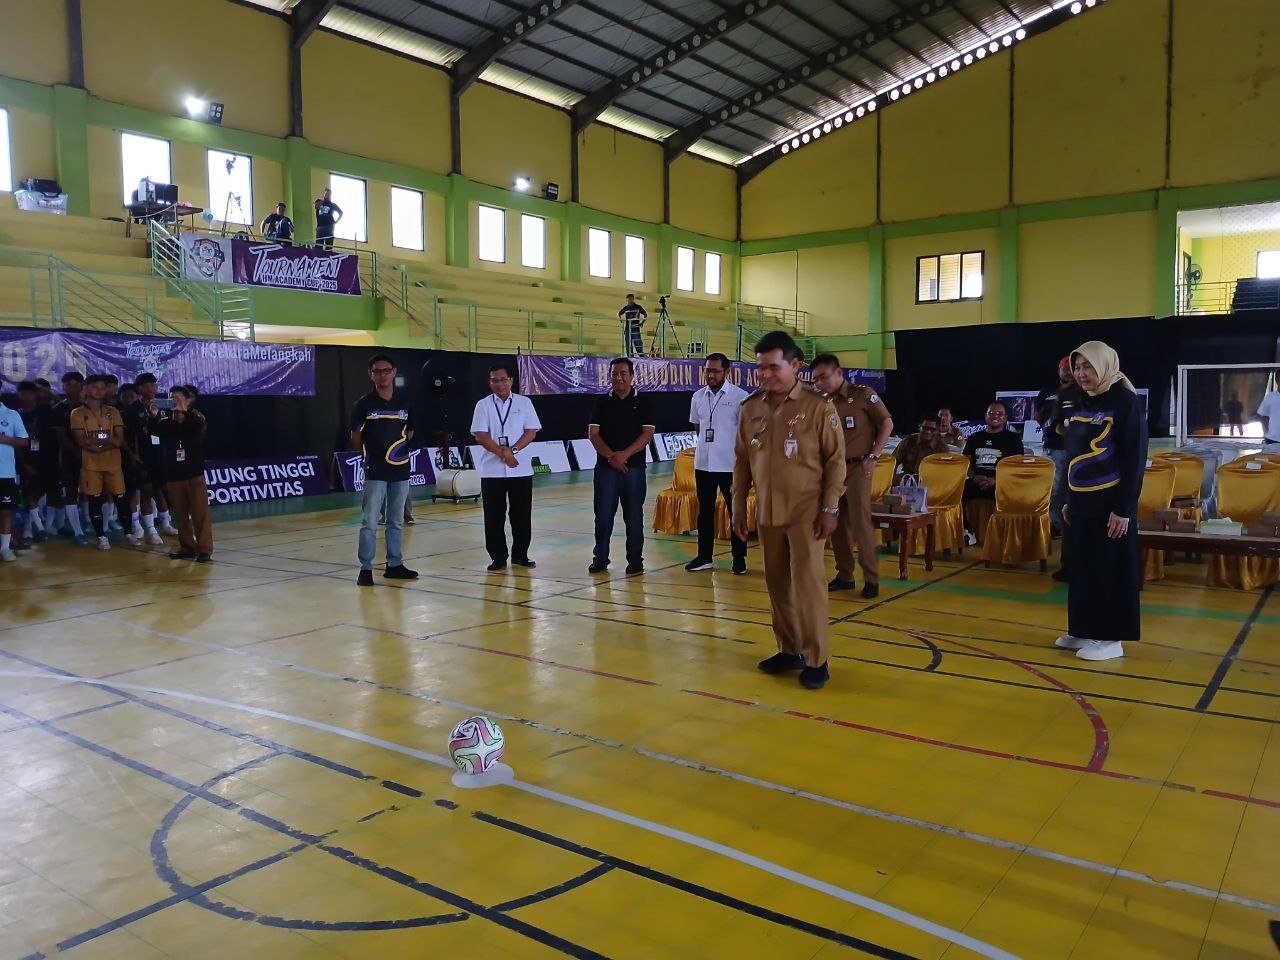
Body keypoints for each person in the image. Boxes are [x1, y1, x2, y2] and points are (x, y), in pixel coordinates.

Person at [733, 332, 845, 690]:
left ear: (796, 365)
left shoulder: (817, 407)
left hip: (807, 513)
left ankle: (817, 659)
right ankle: (790, 648)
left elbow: (836, 462)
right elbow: (741, 463)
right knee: (776, 584)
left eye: (773, 367)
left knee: (809, 585)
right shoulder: (751, 408)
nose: (764, 375)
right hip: (767, 512)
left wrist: (830, 508)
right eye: (760, 368)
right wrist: (737, 507)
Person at [1054, 341, 1147, 662]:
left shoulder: (1124, 401)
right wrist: (1068, 498)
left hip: (1111, 504)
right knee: (1081, 568)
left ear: (1105, 365)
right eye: (1077, 368)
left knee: (1110, 569)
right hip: (1080, 504)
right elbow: (1074, 454)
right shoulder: (1081, 400)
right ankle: (1082, 628)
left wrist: (1124, 509)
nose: (1081, 374)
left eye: (1088, 367)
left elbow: (1135, 457)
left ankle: (1111, 637)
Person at [811, 354, 892, 599]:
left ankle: (871, 578)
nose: (820, 383)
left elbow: (887, 423)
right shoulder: (822, 402)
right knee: (834, 522)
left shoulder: (863, 394)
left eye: (823, 377)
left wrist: (874, 456)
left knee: (860, 524)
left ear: (839, 373)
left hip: (858, 468)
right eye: (815, 379)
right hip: (832, 470)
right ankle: (845, 575)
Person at [350, 354, 417, 586]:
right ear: (371, 374)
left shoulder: (405, 402)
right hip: (375, 471)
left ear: (394, 372)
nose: (382, 374)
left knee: (396, 520)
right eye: (377, 371)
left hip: (400, 470)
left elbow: (410, 432)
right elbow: (355, 435)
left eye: (386, 370)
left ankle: (395, 564)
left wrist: (401, 453)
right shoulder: (364, 404)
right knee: (369, 521)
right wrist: (368, 456)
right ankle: (365, 568)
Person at [470, 363, 542, 572]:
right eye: (494, 380)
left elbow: (531, 432)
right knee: (493, 516)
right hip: (492, 470)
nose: (499, 384)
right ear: (489, 382)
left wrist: (514, 451)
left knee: (521, 514)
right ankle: (498, 557)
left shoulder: (524, 402)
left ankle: (521, 555)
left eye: (503, 379)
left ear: (511, 381)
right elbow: (480, 435)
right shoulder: (482, 405)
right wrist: (503, 453)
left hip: (520, 469)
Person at [587, 357, 655, 575]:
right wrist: (610, 457)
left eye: (623, 373)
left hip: (634, 469)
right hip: (606, 470)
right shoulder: (601, 401)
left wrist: (623, 455)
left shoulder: (643, 401)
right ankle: (600, 558)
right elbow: (593, 434)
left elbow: (648, 434)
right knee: (603, 516)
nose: (618, 378)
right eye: (614, 374)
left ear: (632, 376)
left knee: (634, 517)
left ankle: (635, 561)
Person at [685, 353, 749, 575]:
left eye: (715, 371)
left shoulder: (741, 397)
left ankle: (739, 558)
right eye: (707, 370)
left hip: (731, 466)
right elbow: (698, 427)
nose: (710, 375)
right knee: (705, 512)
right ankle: (704, 557)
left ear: (727, 372)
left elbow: (745, 432)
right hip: (704, 464)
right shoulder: (697, 397)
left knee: (736, 512)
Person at [69, 375, 137, 550]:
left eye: (102, 388)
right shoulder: (77, 413)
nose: (98, 391)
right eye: (94, 387)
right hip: (90, 465)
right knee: (94, 501)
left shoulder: (113, 412)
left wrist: (99, 443)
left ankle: (129, 533)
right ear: (86, 388)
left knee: (121, 500)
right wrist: (106, 441)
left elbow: (119, 439)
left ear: (106, 390)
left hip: (113, 463)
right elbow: (81, 441)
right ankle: (101, 536)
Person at [150, 385, 213, 562]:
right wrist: (154, 415)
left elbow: (197, 431)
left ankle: (205, 549)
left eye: (178, 397)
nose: (174, 400)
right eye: (172, 397)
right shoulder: (166, 421)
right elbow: (155, 432)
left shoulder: (196, 418)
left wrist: (183, 413)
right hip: (174, 474)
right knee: (180, 514)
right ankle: (187, 546)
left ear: (187, 400)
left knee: (200, 513)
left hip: (194, 474)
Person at [961, 400, 1024, 544]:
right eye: (991, 413)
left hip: (1001, 483)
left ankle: (1002, 538)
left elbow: (1016, 466)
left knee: (1009, 500)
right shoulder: (975, 438)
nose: (995, 416)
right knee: (955, 494)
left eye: (999, 414)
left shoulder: (1013, 439)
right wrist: (974, 476)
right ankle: (968, 532)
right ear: (985, 415)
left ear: (1006, 417)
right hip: (976, 480)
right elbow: (965, 463)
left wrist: (996, 479)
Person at [1037, 357, 1081, 540]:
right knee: (1053, 489)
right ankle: (1055, 524)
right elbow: (1038, 416)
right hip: (1052, 447)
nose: (1068, 371)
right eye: (1065, 368)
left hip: (1075, 448)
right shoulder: (1047, 391)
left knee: (1071, 488)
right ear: (1059, 369)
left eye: (1072, 368)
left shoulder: (1081, 390)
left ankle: (1071, 525)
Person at [52, 371, 88, 545]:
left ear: (82, 386)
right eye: (68, 385)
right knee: (71, 492)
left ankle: (94, 523)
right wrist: (78, 453)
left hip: (93, 455)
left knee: (94, 491)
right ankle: (77, 531)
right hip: (68, 458)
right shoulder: (58, 409)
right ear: (63, 387)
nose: (71, 388)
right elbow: (61, 437)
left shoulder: (90, 407)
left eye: (75, 384)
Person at [0, 386, 28, 562]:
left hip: (5, 472)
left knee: (5, 511)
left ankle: (5, 548)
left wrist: (6, 439)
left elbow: (24, 441)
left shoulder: (11, 414)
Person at [1259, 385, 1280, 450]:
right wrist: (1266, 433)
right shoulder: (1270, 397)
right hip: (1272, 439)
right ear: (1277, 380)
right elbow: (1263, 417)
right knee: (1272, 459)